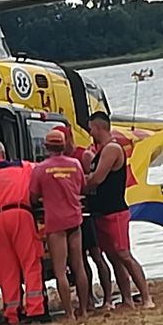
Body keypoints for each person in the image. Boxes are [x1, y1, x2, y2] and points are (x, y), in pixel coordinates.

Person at [0, 140, 47, 325]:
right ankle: (35, 308)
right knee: (30, 262)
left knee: (6, 269)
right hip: (20, 213)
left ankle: (12, 311)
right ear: (3, 153)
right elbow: (40, 175)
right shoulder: (22, 167)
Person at [85, 111, 155, 310]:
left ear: (98, 128)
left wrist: (79, 184)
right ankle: (126, 299)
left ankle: (146, 297)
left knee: (124, 254)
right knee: (113, 256)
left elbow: (97, 178)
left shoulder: (112, 149)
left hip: (114, 210)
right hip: (101, 211)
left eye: (91, 129)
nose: (90, 132)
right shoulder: (100, 151)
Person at [54, 124, 117, 309]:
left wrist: (78, 191)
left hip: (87, 212)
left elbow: (93, 181)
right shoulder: (60, 160)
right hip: (72, 214)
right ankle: (88, 298)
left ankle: (107, 297)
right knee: (79, 259)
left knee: (97, 255)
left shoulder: (83, 156)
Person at [30, 129, 89, 321]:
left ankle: (69, 313)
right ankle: (84, 309)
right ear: (63, 146)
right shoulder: (75, 164)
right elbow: (82, 187)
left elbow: (33, 196)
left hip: (55, 222)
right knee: (78, 265)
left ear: (46, 147)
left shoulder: (40, 169)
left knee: (60, 270)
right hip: (74, 219)